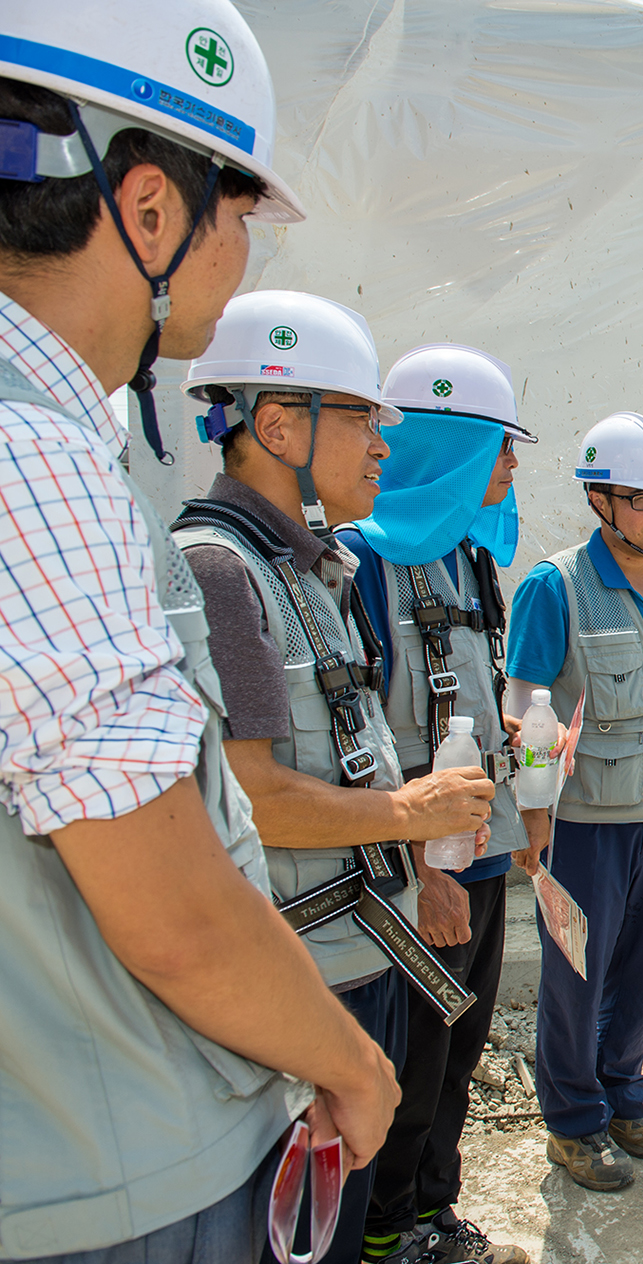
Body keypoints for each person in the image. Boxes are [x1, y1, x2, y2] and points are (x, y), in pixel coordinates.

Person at [0, 4, 400, 1259]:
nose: (244, 250)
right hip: (116, 1171)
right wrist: (346, 1062)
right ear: (152, 208)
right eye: (238, 205)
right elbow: (166, 896)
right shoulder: (36, 460)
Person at [174, 291, 497, 1264]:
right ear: (278, 423)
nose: (383, 447)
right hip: (301, 981)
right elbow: (253, 798)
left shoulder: (312, 572)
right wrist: (410, 814)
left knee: (344, 1224)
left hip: (362, 958)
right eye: (361, 416)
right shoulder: (222, 575)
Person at [337, 345, 536, 1264]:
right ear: (455, 449)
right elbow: (358, 739)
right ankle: (386, 1229)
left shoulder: (469, 561)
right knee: (411, 1060)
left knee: (459, 1049)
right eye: (501, 446)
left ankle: (432, 1209)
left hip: (478, 851)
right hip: (411, 870)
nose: (512, 467)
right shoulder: (358, 566)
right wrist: (422, 873)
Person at [505, 412, 643, 1192]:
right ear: (599, 501)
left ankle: (624, 1099)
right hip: (584, 829)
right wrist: (533, 810)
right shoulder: (553, 586)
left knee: (642, 968)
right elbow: (526, 700)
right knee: (576, 976)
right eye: (642, 499)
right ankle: (572, 1125)